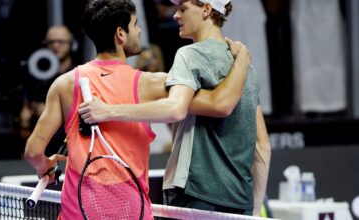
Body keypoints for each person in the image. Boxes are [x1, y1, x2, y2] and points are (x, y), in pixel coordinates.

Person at [25, 0, 249, 219]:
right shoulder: (152, 84)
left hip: (78, 210)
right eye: (135, 24)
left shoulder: (64, 84)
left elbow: (33, 151)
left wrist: (44, 165)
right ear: (121, 34)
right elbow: (220, 104)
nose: (140, 31)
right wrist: (242, 62)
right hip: (131, 210)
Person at [78, 0, 270, 216]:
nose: (175, 15)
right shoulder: (246, 68)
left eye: (183, 9)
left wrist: (108, 111)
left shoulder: (189, 55)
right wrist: (254, 206)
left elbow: (175, 108)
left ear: (206, 9)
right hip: (240, 201)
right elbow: (262, 146)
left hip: (194, 193)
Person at [20, 25, 74, 155]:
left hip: (67, 144)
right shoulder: (35, 74)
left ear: (72, 44)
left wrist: (49, 111)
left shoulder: (78, 73)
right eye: (51, 42)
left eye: (61, 42)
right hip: (40, 145)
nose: (55, 46)